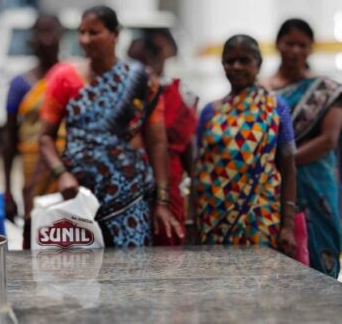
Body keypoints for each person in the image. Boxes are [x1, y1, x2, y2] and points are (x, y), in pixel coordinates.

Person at [39, 5, 182, 247]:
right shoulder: (64, 77)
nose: (85, 40)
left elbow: (157, 142)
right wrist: (61, 174)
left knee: (130, 274)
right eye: (81, 32)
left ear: (115, 34)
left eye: (94, 33)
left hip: (129, 198)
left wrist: (162, 201)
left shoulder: (141, 80)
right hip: (79, 197)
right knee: (81, 274)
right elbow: (45, 137)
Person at [195, 35, 297, 256]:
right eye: (230, 61)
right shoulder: (210, 112)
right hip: (214, 216)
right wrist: (191, 222)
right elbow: (199, 169)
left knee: (260, 284)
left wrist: (288, 225)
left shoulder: (276, 108)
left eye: (244, 60)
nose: (236, 67)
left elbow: (288, 167)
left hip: (260, 216)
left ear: (258, 64)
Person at [264, 19, 342, 276]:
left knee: (321, 254)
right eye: (290, 43)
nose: (295, 50)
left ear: (311, 49)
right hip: (272, 188)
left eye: (302, 45)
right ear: (278, 45)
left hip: (316, 185)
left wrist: (285, 162)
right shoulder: (263, 90)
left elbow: (328, 140)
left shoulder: (327, 90)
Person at [128, 29, 198, 245]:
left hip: (170, 184)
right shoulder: (126, 93)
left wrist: (194, 205)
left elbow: (190, 149)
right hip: (131, 187)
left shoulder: (178, 92)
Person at [2, 14, 64, 249]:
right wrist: (7, 190)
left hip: (69, 168)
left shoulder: (72, 76)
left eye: (51, 32)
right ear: (32, 39)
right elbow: (8, 136)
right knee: (35, 230)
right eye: (41, 33)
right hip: (33, 170)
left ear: (61, 36)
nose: (46, 40)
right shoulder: (20, 84)